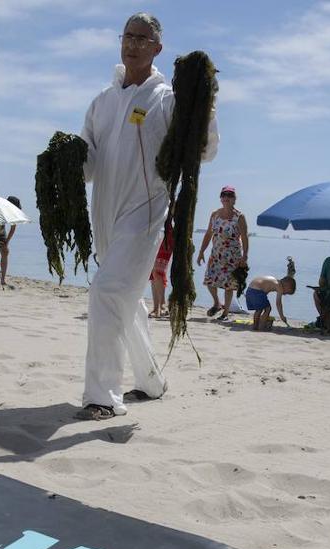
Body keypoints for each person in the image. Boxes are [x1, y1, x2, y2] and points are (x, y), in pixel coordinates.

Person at [76, 12, 219, 420]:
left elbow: (203, 149)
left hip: (146, 213)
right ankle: (152, 381)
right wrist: (68, 158)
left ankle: (102, 395)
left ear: (157, 48)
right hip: (104, 212)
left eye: (142, 38)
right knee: (124, 298)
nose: (133, 44)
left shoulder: (168, 100)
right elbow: (87, 164)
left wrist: (204, 104)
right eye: (127, 36)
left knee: (106, 292)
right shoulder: (102, 102)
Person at [196, 186, 248, 320]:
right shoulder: (215, 214)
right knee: (209, 280)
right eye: (224, 195)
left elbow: (245, 237)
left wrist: (245, 256)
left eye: (230, 195)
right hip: (216, 254)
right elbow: (208, 234)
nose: (226, 198)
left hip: (233, 255)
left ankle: (225, 314)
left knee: (229, 285)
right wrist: (201, 251)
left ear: (234, 199)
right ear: (220, 198)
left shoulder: (239, 217)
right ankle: (217, 303)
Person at [247, 258, 296, 330]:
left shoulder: (274, 281)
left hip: (250, 289)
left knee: (259, 309)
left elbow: (264, 291)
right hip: (256, 290)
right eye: (286, 292)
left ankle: (255, 326)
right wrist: (281, 316)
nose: (284, 294)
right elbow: (278, 303)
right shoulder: (279, 286)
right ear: (286, 286)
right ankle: (262, 326)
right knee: (268, 309)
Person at [149, 233, 171, 318]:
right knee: (153, 272)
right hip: (156, 235)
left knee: (157, 272)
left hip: (169, 235)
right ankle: (156, 308)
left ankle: (162, 305)